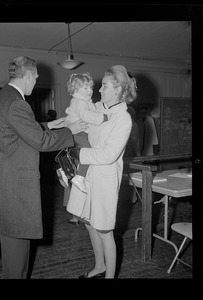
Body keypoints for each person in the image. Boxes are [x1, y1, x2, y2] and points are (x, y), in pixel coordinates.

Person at [0, 56, 87, 279]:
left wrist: (49, 125)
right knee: (16, 256)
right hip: (12, 192)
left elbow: (15, 130)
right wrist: (70, 131)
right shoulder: (18, 103)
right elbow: (41, 142)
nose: (35, 82)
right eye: (35, 78)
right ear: (27, 76)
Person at [66, 65, 137, 278]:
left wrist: (82, 155)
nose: (99, 90)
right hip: (87, 175)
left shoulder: (123, 118)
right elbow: (80, 124)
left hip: (104, 179)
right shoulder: (97, 107)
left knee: (105, 230)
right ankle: (99, 266)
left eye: (104, 86)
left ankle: (109, 276)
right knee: (89, 224)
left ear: (118, 89)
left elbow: (109, 154)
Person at [58, 72, 107, 193]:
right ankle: (79, 178)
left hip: (76, 133)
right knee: (88, 154)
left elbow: (90, 108)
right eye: (85, 88)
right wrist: (102, 118)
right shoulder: (80, 102)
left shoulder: (81, 101)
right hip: (80, 132)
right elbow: (85, 114)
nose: (89, 90)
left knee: (76, 156)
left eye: (90, 87)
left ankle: (64, 170)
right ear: (76, 89)